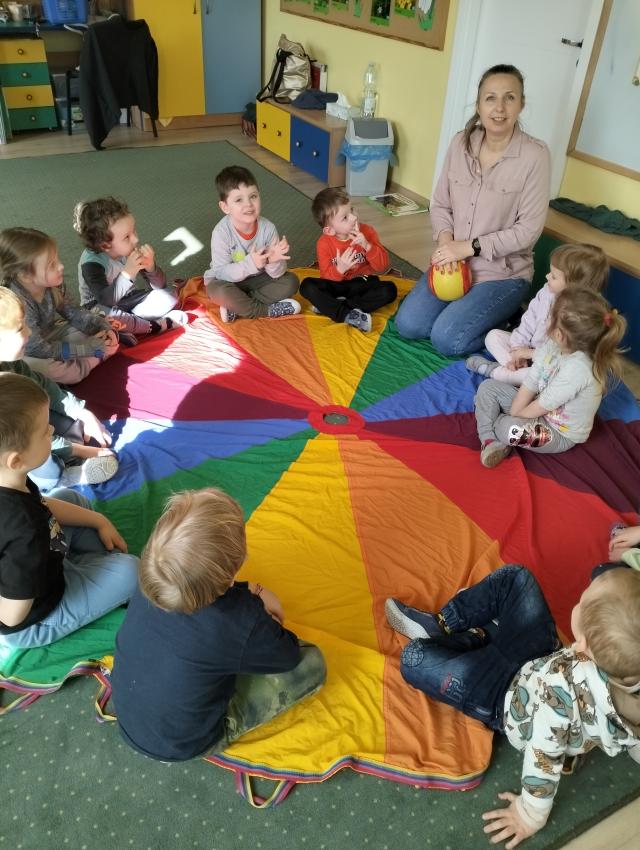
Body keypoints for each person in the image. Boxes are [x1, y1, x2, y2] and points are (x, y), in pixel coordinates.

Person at [385, 563, 640, 847]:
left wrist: (529, 816)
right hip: (540, 656)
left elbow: (543, 761)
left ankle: (476, 637)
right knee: (516, 577)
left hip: (502, 697)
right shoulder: (630, 674)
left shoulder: (558, 706)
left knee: (415, 658)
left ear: (583, 648)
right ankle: (453, 626)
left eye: (582, 601)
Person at [111, 488, 326, 761]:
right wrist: (259, 596)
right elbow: (288, 654)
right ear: (235, 569)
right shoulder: (242, 619)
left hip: (131, 716)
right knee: (313, 662)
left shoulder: (151, 583)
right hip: (186, 742)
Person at [395, 64, 550, 357]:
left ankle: (508, 322)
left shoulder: (535, 155)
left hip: (502, 274)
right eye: (490, 98)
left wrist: (468, 247)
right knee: (409, 325)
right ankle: (470, 312)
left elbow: (528, 231)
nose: (499, 108)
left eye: (509, 98)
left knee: (446, 339)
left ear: (521, 104)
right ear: (478, 105)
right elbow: (440, 204)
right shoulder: (460, 143)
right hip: (454, 263)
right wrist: (446, 245)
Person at [0, 373, 138, 649]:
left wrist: (99, 520)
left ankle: (87, 563)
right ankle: (91, 567)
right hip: (34, 619)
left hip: (39, 560)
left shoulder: (11, 480)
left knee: (70, 498)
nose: (52, 430)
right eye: (45, 431)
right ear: (16, 460)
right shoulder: (25, 530)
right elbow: (11, 617)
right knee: (131, 572)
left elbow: (41, 506)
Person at [474, 288, 627, 468]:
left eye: (549, 317)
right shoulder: (552, 344)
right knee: (487, 387)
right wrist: (515, 411)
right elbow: (532, 380)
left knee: (507, 427)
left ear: (559, 334)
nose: (545, 320)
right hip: (537, 404)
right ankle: (490, 440)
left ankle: (494, 428)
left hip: (559, 433)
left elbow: (543, 404)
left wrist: (513, 416)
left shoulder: (579, 369)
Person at [0, 288, 118, 490]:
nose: (29, 333)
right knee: (44, 461)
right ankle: (59, 478)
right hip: (11, 445)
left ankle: (62, 452)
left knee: (72, 428)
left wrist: (81, 412)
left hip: (19, 426)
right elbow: (21, 438)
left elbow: (42, 385)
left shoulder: (12, 363)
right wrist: (81, 451)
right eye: (20, 329)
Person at [466, 243, 608, 385]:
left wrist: (529, 354)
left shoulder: (580, 316)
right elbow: (529, 320)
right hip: (529, 349)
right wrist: (518, 349)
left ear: (573, 286)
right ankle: (513, 368)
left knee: (544, 376)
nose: (547, 276)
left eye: (554, 276)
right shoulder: (546, 291)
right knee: (493, 336)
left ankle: (498, 373)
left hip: (549, 362)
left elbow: (560, 356)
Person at [0, 227, 119, 384]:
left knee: (82, 331)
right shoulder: (19, 301)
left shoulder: (54, 284)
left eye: (57, 260)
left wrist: (102, 327)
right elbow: (37, 349)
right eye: (51, 265)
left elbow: (75, 313)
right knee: (53, 370)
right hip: (25, 350)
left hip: (47, 335)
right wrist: (87, 349)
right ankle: (93, 360)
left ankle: (95, 353)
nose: (61, 266)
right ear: (26, 275)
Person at [74, 196, 188, 342]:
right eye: (127, 237)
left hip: (129, 300)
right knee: (104, 316)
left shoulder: (127, 249)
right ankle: (155, 326)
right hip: (101, 307)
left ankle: (124, 329)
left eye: (134, 231)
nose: (135, 239)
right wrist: (127, 274)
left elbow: (160, 286)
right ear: (105, 245)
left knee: (170, 295)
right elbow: (105, 300)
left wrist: (151, 267)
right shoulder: (91, 264)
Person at [204, 165, 301, 323]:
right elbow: (220, 272)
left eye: (253, 196)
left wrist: (272, 261)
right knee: (217, 290)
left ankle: (238, 306)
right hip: (228, 281)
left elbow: (277, 274)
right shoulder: (221, 232)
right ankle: (267, 310)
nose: (248, 204)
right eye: (239, 200)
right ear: (225, 207)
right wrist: (251, 264)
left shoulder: (268, 228)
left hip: (258, 280)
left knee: (291, 282)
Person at [299, 188, 397, 333]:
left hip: (363, 282)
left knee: (389, 290)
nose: (353, 217)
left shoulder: (367, 232)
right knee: (306, 285)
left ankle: (332, 306)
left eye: (351, 210)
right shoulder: (324, 243)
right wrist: (340, 269)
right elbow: (326, 277)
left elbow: (382, 266)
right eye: (345, 217)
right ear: (330, 230)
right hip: (336, 285)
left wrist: (367, 246)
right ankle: (346, 314)